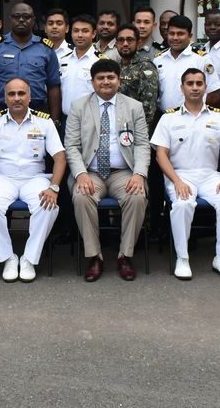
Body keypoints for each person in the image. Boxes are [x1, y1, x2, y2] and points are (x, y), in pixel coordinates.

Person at [64, 59, 150, 282]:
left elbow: (141, 144)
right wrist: (80, 174)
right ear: (92, 82)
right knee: (82, 197)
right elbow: (71, 145)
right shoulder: (79, 107)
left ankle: (125, 256)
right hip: (90, 172)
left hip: (123, 172)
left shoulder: (133, 107)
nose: (106, 82)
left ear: (118, 80)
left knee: (137, 196)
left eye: (111, 77)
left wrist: (139, 174)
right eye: (100, 78)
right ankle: (95, 256)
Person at [152, 68, 220, 280]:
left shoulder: (219, 118)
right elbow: (160, 155)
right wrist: (176, 181)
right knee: (183, 204)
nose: (194, 87)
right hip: (180, 175)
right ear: (181, 87)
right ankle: (182, 259)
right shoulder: (169, 118)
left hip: (211, 175)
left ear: (205, 87)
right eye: (190, 83)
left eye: (199, 83)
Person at [0, 78, 66, 283]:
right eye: (11, 94)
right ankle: (8, 257)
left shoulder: (44, 122)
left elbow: (60, 157)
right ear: (4, 98)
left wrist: (54, 187)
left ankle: (29, 258)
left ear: (30, 97)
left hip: (35, 178)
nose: (17, 98)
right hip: (2, 178)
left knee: (48, 205)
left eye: (21, 93)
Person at [0, 2, 61, 117]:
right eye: (17, 17)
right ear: (10, 19)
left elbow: (53, 87)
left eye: (26, 17)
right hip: (2, 110)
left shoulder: (46, 49)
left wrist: (55, 120)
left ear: (33, 20)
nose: (21, 20)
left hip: (37, 111)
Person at [153, 15, 220, 113]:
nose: (175, 38)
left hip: (193, 118)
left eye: (180, 34)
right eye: (171, 33)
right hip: (165, 118)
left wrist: (199, 114)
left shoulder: (201, 59)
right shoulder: (158, 60)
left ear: (190, 36)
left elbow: (214, 93)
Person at [60, 14, 104, 116]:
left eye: (85, 31)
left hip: (90, 119)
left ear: (93, 34)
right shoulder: (63, 60)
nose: (80, 35)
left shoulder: (100, 61)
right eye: (76, 31)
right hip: (66, 119)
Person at [115, 23, 158, 126]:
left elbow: (148, 108)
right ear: (116, 44)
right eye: (121, 40)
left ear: (138, 43)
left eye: (130, 40)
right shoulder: (115, 66)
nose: (125, 43)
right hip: (117, 124)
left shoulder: (145, 66)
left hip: (136, 127)